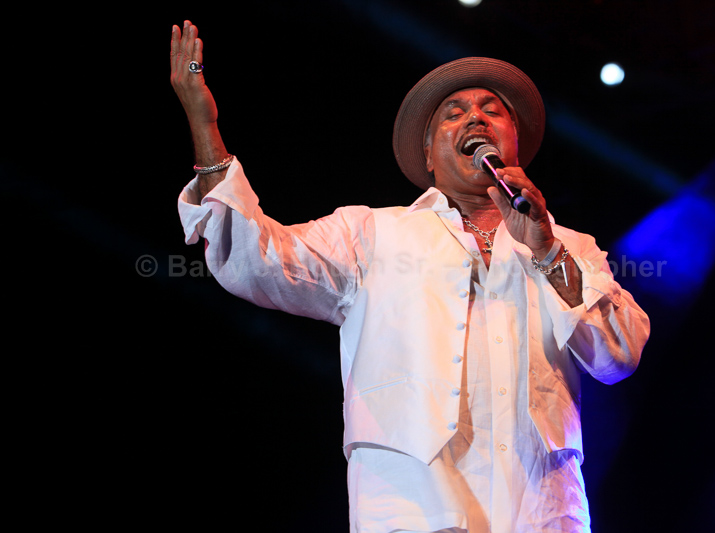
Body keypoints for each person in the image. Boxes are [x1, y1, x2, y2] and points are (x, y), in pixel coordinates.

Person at [171, 19, 649, 533]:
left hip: (540, 512)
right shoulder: (369, 232)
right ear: (428, 153)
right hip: (414, 510)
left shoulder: (567, 244)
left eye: (492, 110)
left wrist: (546, 249)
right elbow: (255, 258)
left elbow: (617, 356)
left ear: (517, 141)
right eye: (454, 113)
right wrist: (205, 126)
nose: (476, 118)